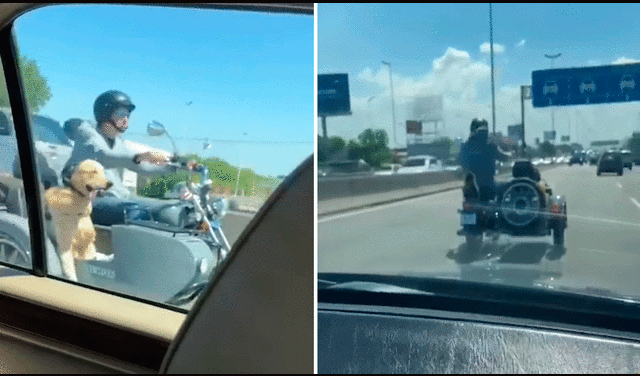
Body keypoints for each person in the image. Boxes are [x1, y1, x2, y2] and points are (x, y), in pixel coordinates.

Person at [63, 90, 194, 198]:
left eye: (127, 115)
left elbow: (141, 168)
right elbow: (108, 155)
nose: (126, 120)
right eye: (121, 115)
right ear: (105, 114)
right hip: (86, 203)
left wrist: (176, 166)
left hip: (115, 197)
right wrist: (143, 156)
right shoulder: (89, 137)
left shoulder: (117, 142)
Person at [459, 118, 511, 202]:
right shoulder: (490, 145)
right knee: (506, 190)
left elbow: (461, 162)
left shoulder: (466, 146)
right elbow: (504, 157)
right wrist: (512, 154)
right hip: (489, 184)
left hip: (472, 185)